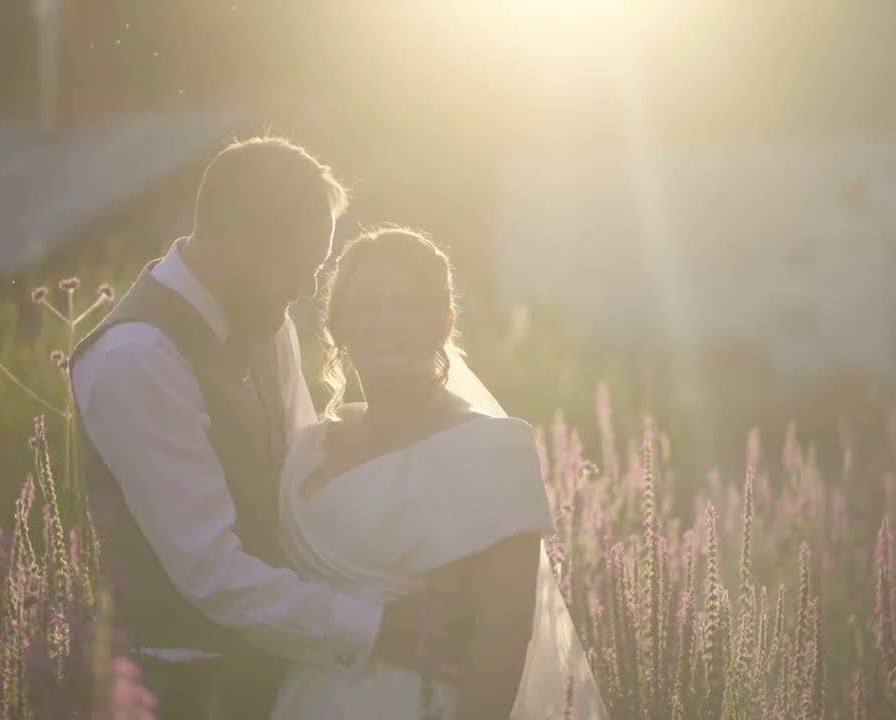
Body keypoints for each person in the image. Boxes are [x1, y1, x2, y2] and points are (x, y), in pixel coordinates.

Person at [69, 138, 462, 719]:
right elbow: (211, 571)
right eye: (302, 265)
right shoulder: (138, 357)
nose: (307, 289)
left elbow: (306, 477)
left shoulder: (265, 321)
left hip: (286, 674)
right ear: (243, 238)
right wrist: (380, 626)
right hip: (181, 689)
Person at [270, 226, 607, 719]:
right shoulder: (307, 446)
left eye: (406, 305)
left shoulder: (492, 450)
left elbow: (504, 638)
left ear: (443, 322)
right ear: (337, 324)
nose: (384, 321)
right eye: (365, 305)